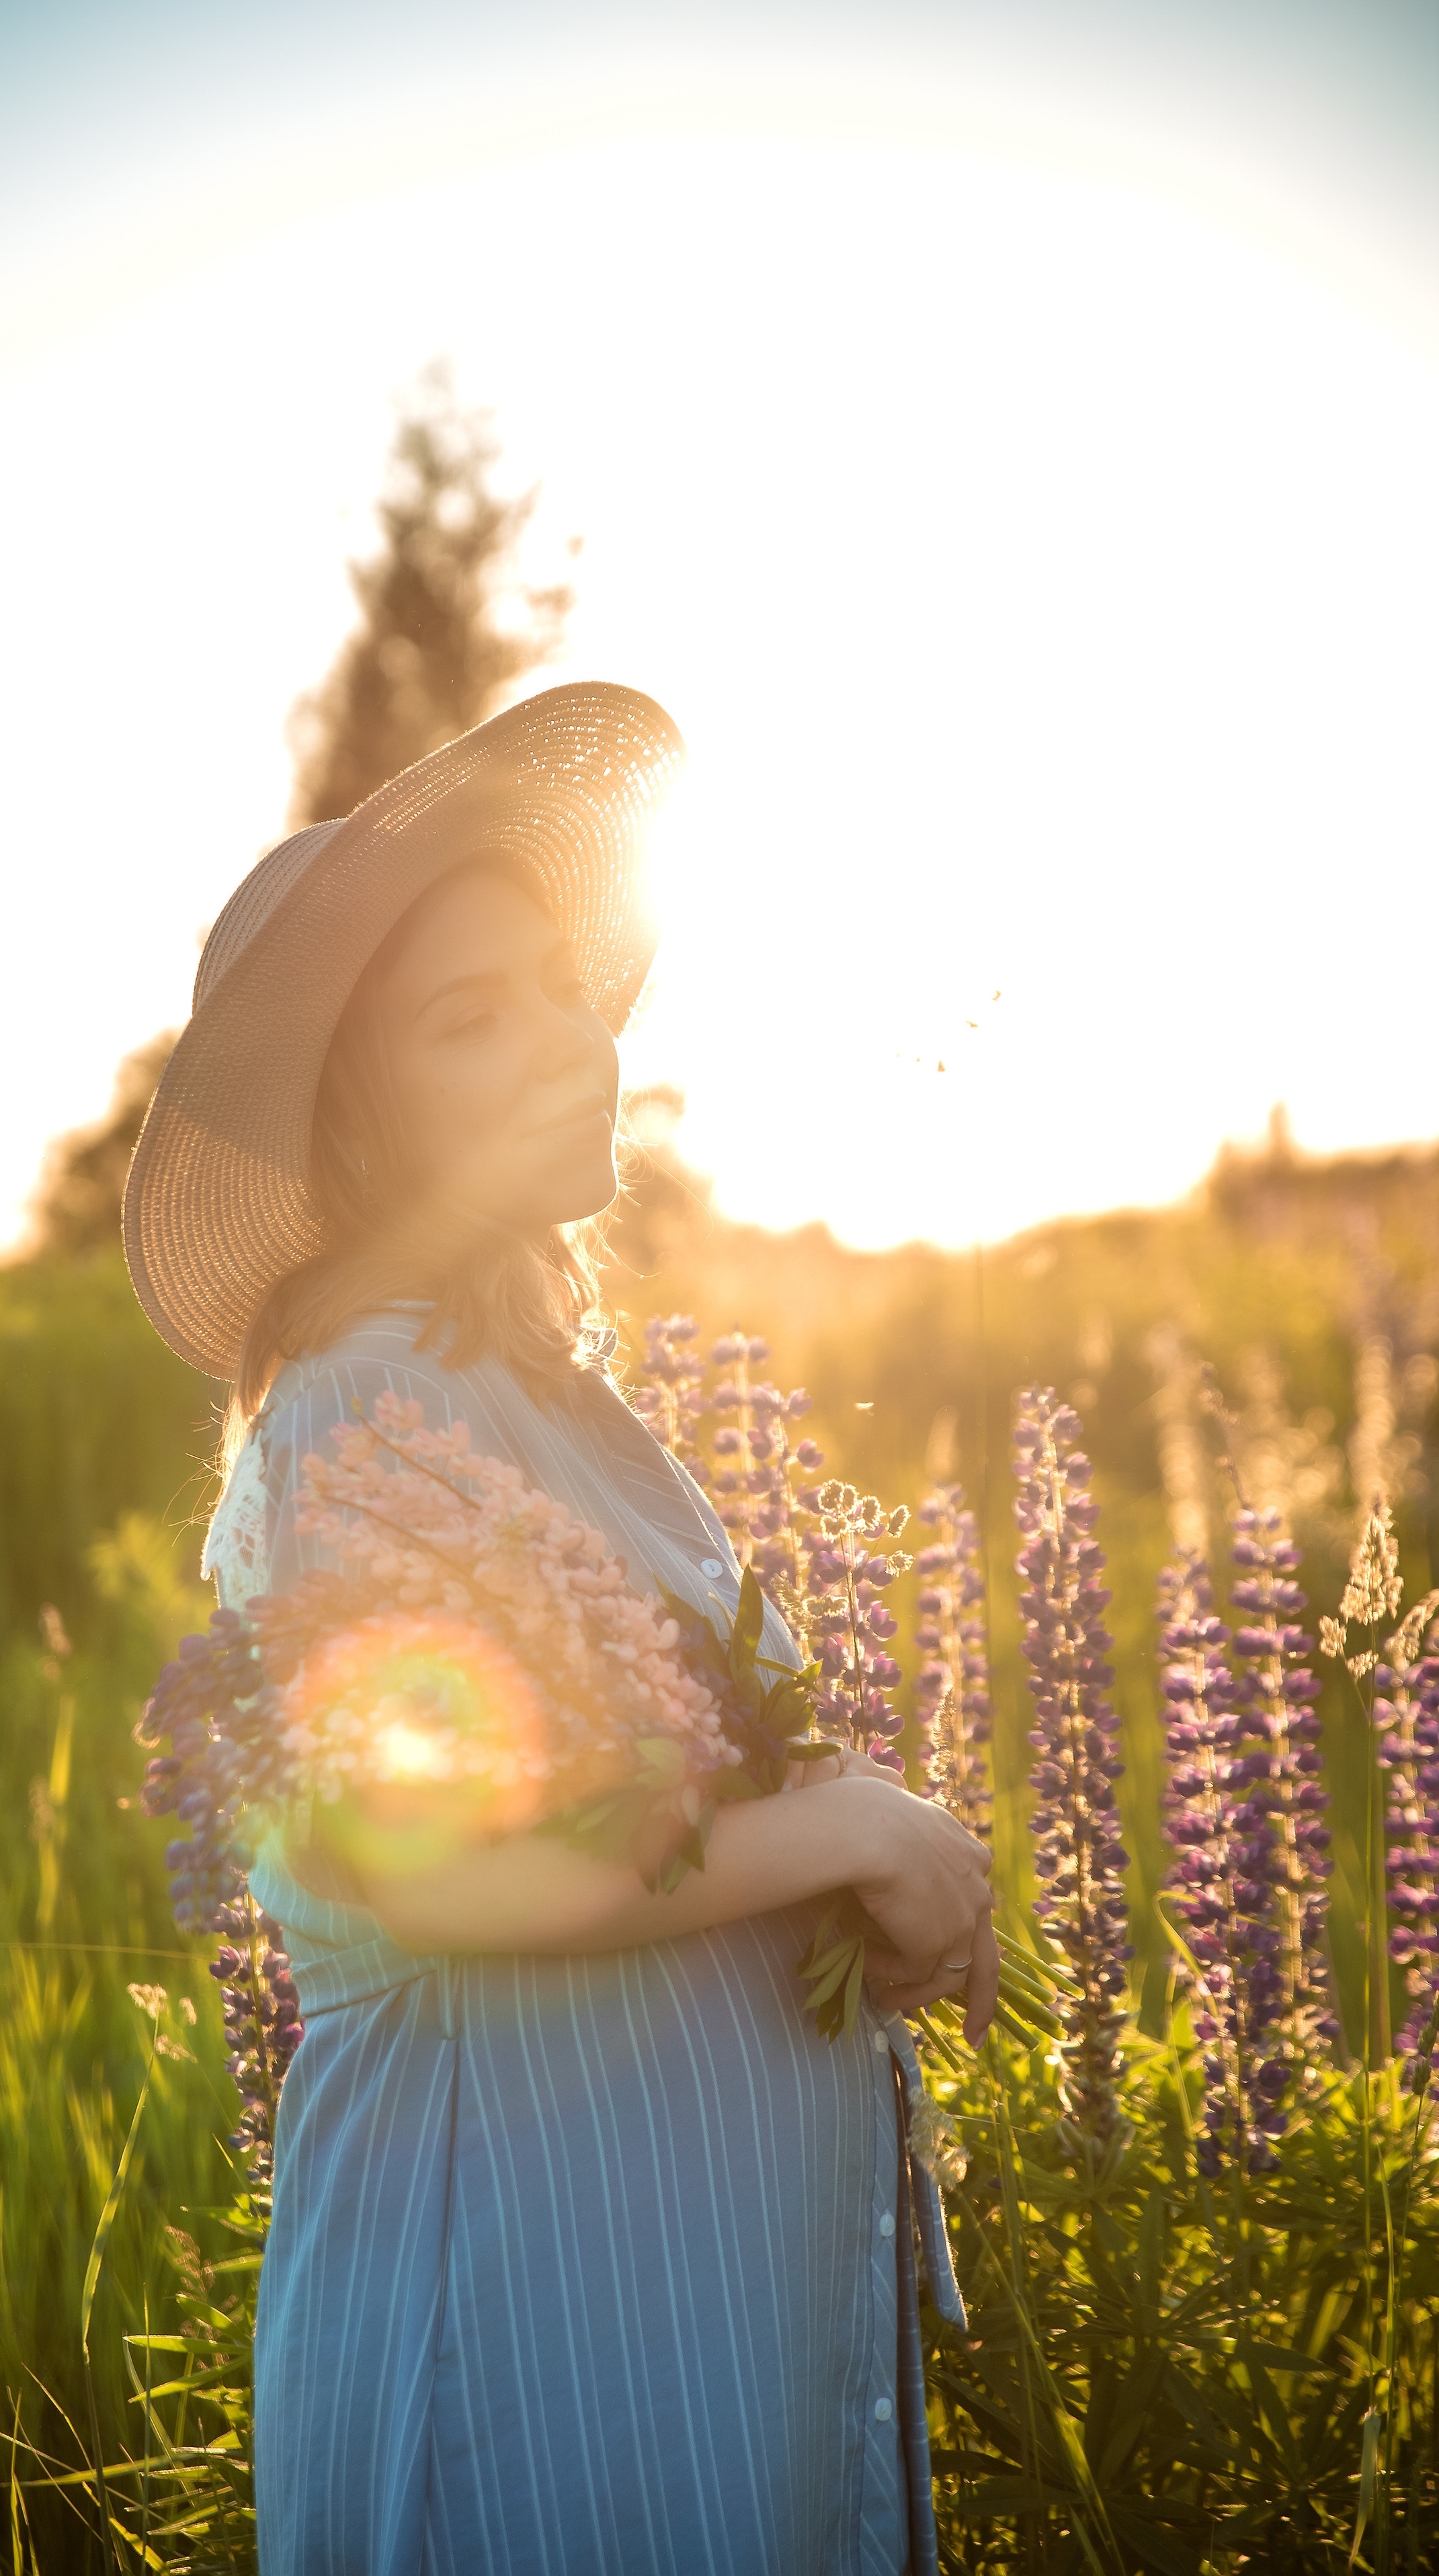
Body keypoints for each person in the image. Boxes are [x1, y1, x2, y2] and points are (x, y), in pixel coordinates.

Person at [124, 682, 997, 2576]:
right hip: (529, 2289)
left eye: (556, 987)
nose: (568, 1044)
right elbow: (435, 1864)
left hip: (667, 2283)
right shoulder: (363, 1401)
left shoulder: (524, 1393)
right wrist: (857, 1832)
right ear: (359, 1118)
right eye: (472, 1016)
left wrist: (864, 1837)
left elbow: (657, 1779)